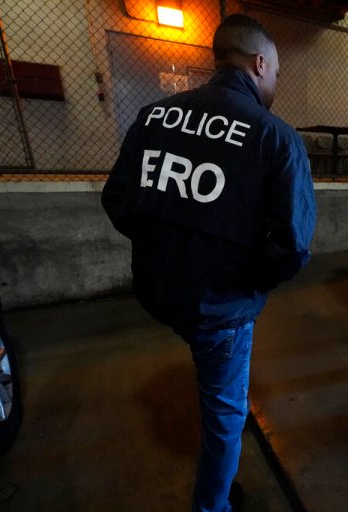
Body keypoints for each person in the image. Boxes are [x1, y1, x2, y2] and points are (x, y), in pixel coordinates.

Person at [101, 13, 315, 512]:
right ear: (259, 64)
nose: (275, 84)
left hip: (158, 291)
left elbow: (118, 200)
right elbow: (292, 248)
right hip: (220, 308)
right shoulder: (275, 138)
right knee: (225, 414)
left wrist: (165, 250)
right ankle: (211, 506)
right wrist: (246, 282)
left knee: (211, 376)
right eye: (276, 74)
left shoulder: (155, 116)